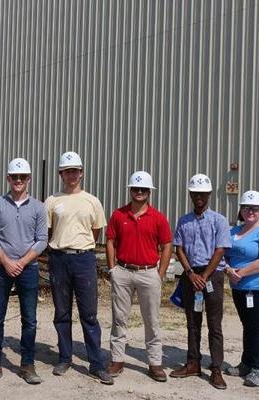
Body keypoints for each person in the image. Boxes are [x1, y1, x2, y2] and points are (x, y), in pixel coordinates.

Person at [45, 151, 112, 385]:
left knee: (89, 314)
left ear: (81, 173)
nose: (71, 175)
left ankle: (96, 363)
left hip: (84, 259)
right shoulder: (52, 201)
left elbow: (95, 231)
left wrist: (80, 246)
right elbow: (49, 231)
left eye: (75, 170)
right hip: (59, 259)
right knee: (62, 313)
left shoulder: (92, 201)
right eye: (67, 171)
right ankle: (64, 358)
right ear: (61, 174)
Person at [0, 158, 47, 385]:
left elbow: (42, 240)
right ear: (8, 179)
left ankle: (27, 364)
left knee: (29, 319)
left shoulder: (38, 207)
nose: (18, 181)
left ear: (28, 179)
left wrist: (21, 262)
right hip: (1, 268)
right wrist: (7, 261)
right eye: (14, 177)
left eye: (22, 177)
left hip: (28, 269)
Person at [106, 171, 172, 382]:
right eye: (136, 188)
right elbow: (109, 241)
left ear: (149, 192)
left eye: (144, 189)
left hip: (148, 272)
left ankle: (154, 363)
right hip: (123, 271)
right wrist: (112, 269)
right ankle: (117, 359)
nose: (140, 192)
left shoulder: (158, 217)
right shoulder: (118, 214)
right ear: (130, 190)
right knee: (119, 318)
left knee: (151, 320)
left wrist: (159, 274)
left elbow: (167, 245)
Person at [169, 174, 230, 389]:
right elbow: (179, 248)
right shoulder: (183, 220)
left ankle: (216, 369)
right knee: (192, 323)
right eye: (195, 194)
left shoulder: (219, 220)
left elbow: (220, 249)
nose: (199, 197)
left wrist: (204, 276)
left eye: (202, 194)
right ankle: (193, 362)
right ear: (190, 195)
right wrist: (190, 273)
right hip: (190, 276)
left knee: (215, 324)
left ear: (209, 194)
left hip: (212, 275)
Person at [225, 190, 259, 387]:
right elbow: (223, 253)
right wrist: (229, 270)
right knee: (247, 326)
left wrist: (242, 273)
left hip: (254, 287)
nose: (250, 211)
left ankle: (256, 367)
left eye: (255, 208)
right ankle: (246, 363)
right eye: (246, 208)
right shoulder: (233, 232)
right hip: (238, 288)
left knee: (255, 327)